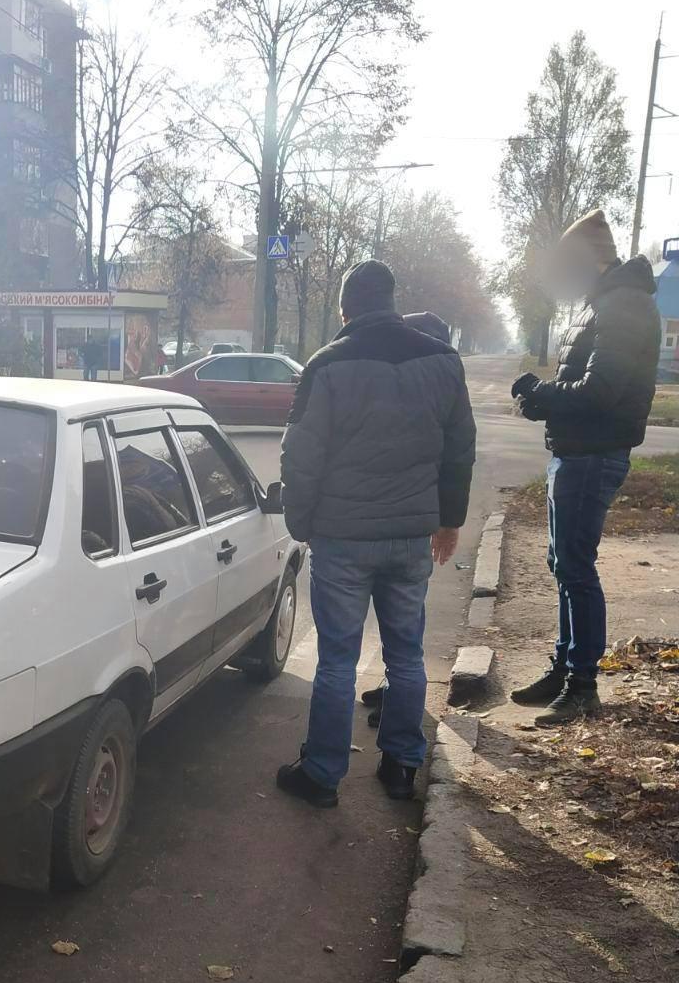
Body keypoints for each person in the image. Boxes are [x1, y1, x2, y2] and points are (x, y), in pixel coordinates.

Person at [274, 261, 476, 809]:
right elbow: (459, 448)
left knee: (337, 659)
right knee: (406, 654)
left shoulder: (328, 364)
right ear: (392, 300)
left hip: (342, 537)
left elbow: (302, 452)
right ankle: (402, 766)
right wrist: (449, 520)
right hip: (412, 535)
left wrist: (300, 520)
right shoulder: (443, 361)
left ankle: (321, 775)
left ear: (345, 309)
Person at [509, 210, 661, 724]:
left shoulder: (623, 307)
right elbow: (589, 387)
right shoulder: (606, 304)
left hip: (593, 454)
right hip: (577, 452)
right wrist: (542, 400)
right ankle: (565, 668)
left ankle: (581, 685)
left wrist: (541, 395)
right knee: (564, 565)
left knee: (576, 567)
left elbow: (601, 391)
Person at [360, 311, 454, 728]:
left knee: (399, 633)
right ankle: (400, 748)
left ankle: (396, 704)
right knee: (405, 631)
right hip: (417, 522)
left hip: (389, 522)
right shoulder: (444, 378)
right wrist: (448, 520)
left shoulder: (403, 376)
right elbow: (457, 457)